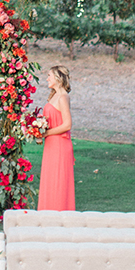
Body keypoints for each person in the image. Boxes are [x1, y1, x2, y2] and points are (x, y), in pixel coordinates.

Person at [38, 64, 75, 211]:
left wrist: (46, 133)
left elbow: (67, 124)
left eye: (49, 76)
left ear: (58, 79)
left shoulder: (63, 97)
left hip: (60, 145)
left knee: (58, 181)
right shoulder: (54, 97)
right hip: (51, 145)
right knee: (50, 180)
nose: (47, 79)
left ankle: (60, 213)